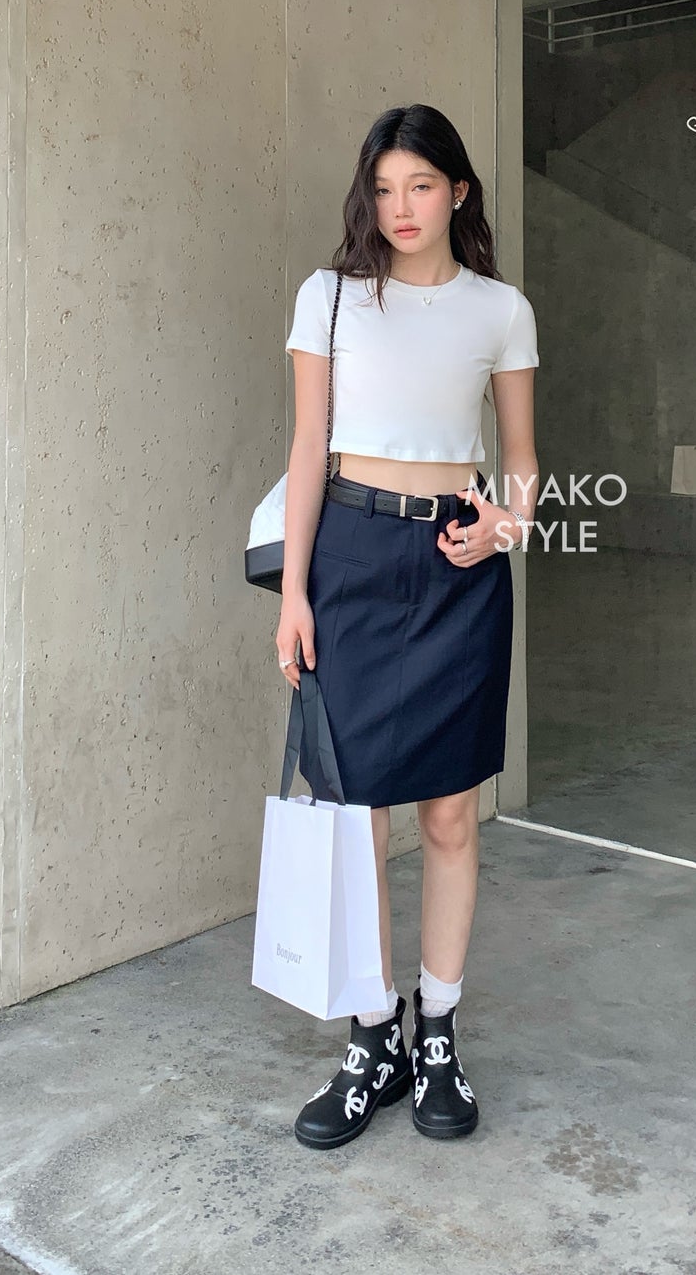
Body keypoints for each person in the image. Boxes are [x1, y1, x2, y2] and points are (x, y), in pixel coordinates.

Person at [276, 102, 539, 1147]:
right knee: (353, 820)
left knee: (447, 818)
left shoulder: (498, 310)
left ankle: (437, 1031)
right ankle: (369, 1034)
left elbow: (518, 455)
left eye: (419, 186)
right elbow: (305, 447)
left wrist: (505, 527)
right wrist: (293, 593)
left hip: (454, 566)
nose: (399, 208)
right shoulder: (329, 297)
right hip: (346, 560)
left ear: (457, 191)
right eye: (382, 188)